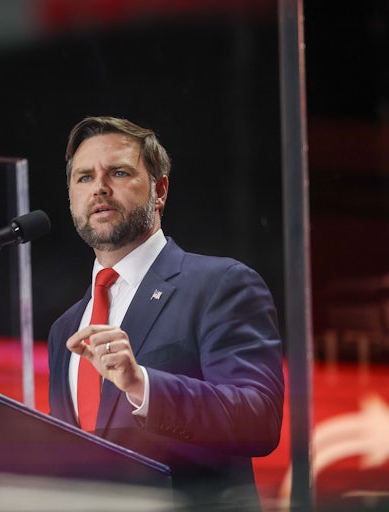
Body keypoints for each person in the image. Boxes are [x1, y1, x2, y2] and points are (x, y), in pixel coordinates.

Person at [47, 116, 285, 510]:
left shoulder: (220, 284)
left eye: (119, 173)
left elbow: (259, 419)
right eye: (84, 178)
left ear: (159, 191)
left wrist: (142, 385)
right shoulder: (65, 329)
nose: (100, 188)